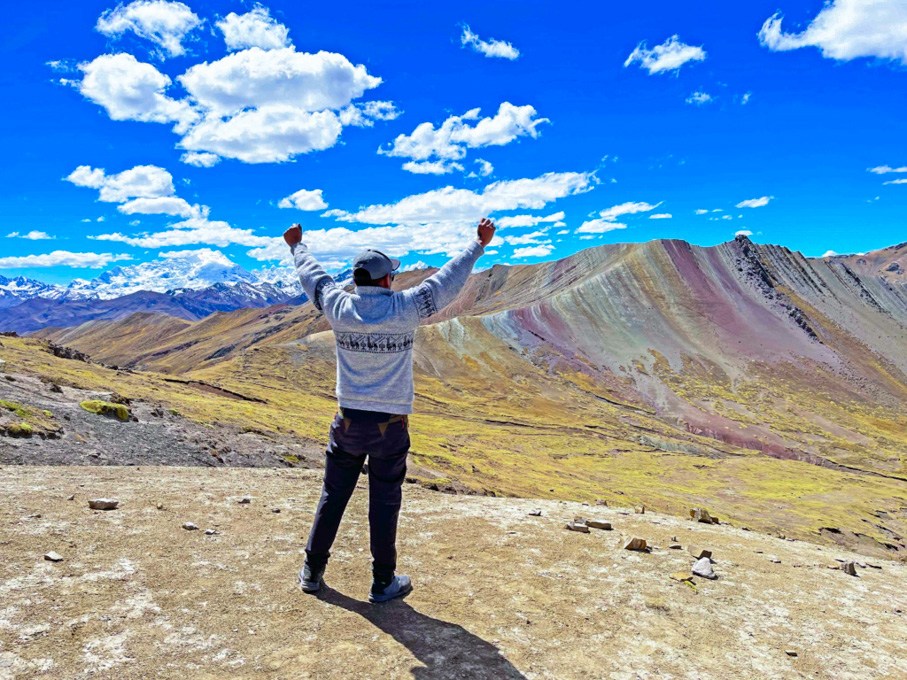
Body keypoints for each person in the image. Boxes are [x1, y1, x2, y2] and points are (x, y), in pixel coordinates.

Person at [285, 217, 496, 603]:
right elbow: (447, 281)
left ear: (357, 279)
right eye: (392, 276)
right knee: (384, 502)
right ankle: (383, 581)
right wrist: (477, 244)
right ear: (385, 281)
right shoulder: (406, 307)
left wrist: (297, 246)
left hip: (347, 421)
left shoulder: (338, 306)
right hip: (390, 427)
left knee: (334, 494)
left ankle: (312, 571)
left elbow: (312, 277)